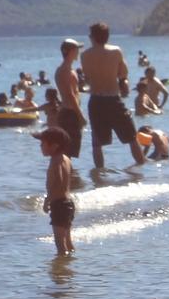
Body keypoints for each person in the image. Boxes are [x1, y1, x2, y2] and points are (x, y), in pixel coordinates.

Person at [81, 22, 145, 169]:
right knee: (131, 137)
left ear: (93, 37)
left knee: (97, 143)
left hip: (96, 100)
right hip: (113, 99)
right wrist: (124, 87)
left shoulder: (85, 55)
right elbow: (123, 75)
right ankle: (141, 171)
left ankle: (100, 177)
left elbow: (88, 78)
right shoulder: (116, 51)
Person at [33, 126, 74, 255]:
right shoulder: (66, 159)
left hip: (59, 205)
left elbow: (58, 182)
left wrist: (47, 200)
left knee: (60, 244)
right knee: (68, 242)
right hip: (68, 203)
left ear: (54, 145)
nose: (40, 146)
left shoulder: (55, 161)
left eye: (43, 143)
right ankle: (71, 264)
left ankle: (61, 271)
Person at [55, 39, 85, 159]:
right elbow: (70, 95)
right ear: (71, 51)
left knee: (68, 152)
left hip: (67, 112)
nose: (78, 52)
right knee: (67, 153)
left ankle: (71, 177)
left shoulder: (66, 69)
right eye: (77, 49)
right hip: (70, 114)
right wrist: (80, 116)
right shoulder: (65, 71)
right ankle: (68, 176)